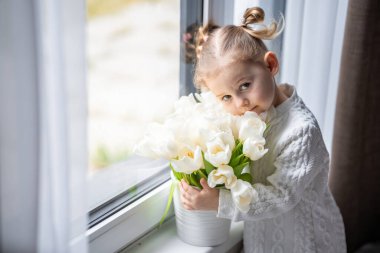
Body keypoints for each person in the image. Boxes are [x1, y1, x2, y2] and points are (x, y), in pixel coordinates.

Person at [179, 7, 347, 253]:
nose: (240, 103)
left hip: (307, 240)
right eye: (226, 96)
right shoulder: (250, 115)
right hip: (264, 236)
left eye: (245, 85)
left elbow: (281, 196)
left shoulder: (300, 131)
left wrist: (220, 201)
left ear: (270, 65)